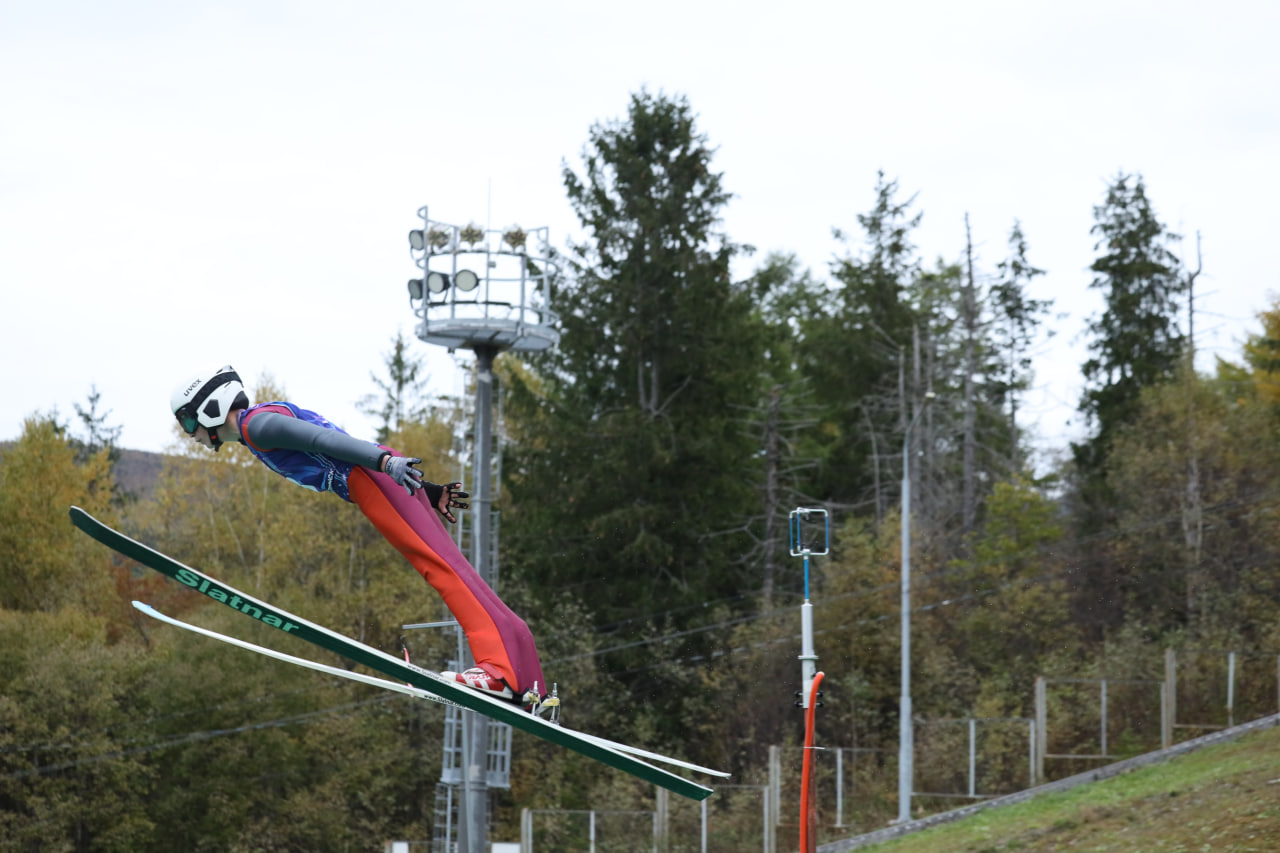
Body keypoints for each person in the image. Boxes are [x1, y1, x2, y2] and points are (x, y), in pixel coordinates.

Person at [170, 364, 551, 711]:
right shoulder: (265, 417)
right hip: (381, 474)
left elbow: (322, 440)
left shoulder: (258, 427)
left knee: (441, 570)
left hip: (370, 477)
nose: (192, 435)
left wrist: (384, 465)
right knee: (454, 568)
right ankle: (527, 680)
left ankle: (499, 674)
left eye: (189, 424)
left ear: (210, 407)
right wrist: (423, 489)